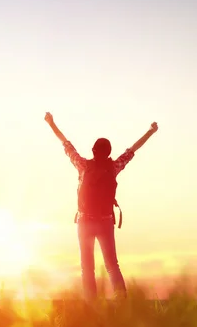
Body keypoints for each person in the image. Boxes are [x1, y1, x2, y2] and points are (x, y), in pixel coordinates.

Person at [44, 112, 159, 301]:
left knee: (87, 268)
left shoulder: (83, 166)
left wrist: (51, 123)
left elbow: (66, 144)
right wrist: (150, 132)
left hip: (85, 222)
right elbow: (132, 150)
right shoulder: (113, 167)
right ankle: (122, 304)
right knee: (112, 266)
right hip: (105, 222)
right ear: (109, 152)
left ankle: (92, 306)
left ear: (93, 150)